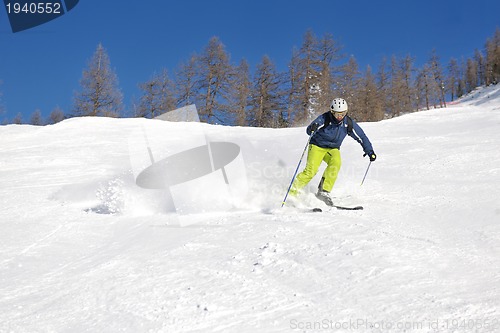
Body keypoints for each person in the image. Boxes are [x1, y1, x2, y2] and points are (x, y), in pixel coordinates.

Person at [289, 98, 376, 206]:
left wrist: (369, 151)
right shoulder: (325, 118)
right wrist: (313, 127)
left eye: (343, 113)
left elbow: (361, 136)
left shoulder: (348, 123)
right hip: (317, 146)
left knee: (336, 162)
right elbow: (309, 130)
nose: (340, 116)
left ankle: (323, 191)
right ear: (332, 112)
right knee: (311, 171)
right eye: (337, 114)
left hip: (333, 148)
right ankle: (292, 192)